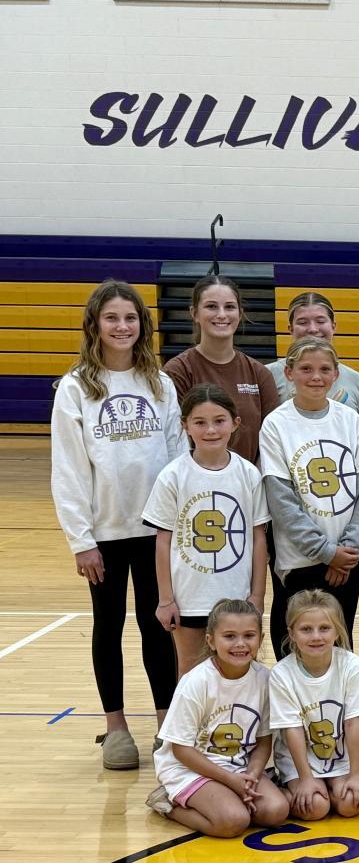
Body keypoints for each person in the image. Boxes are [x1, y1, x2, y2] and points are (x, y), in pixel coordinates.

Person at [51, 280, 183, 770]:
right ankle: (117, 728)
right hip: (103, 534)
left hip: (155, 531)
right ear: (95, 325)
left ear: (142, 325)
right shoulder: (75, 388)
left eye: (130, 318)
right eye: (112, 318)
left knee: (158, 626)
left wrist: (176, 526)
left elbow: (177, 459)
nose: (122, 326)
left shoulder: (160, 384)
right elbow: (68, 469)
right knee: (107, 627)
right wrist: (80, 540)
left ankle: (167, 724)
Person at [258, 338, 359, 658]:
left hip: (346, 559)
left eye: (325, 369)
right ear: (289, 373)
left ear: (336, 374)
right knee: (293, 644)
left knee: (339, 644)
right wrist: (326, 552)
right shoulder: (276, 424)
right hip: (299, 559)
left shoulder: (350, 420)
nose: (316, 376)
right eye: (306, 369)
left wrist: (349, 549)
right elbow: (281, 500)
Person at [144, 384, 270, 677]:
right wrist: (166, 599)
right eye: (200, 422)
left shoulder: (248, 475)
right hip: (190, 596)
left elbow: (258, 538)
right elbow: (163, 541)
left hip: (236, 595)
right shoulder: (173, 476)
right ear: (185, 425)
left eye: (219, 421)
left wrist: (257, 595)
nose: (211, 430)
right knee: (190, 671)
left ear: (235, 423)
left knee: (238, 669)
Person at [145, 599, 288, 836]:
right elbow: (180, 750)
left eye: (249, 635)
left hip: (238, 766)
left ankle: (225, 798)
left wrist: (252, 775)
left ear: (260, 639)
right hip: (189, 768)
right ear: (211, 641)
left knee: (276, 811)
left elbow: (264, 741)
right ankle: (168, 804)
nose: (240, 644)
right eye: (229, 636)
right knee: (233, 821)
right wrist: (230, 780)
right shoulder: (196, 682)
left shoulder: (264, 679)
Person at [270, 589, 359, 820]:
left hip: (341, 758)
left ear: (337, 630)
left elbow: (354, 724)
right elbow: (292, 730)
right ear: (292, 633)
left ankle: (331, 790)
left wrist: (356, 774)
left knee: (351, 805)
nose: (316, 636)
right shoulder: (281, 674)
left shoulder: (352, 665)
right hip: (300, 763)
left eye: (324, 628)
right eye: (306, 629)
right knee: (315, 808)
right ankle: (287, 792)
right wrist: (306, 779)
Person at [164, 274, 278, 463]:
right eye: (211, 306)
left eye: (230, 307)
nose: (222, 314)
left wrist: (250, 476)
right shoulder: (178, 371)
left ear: (240, 313)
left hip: (249, 479)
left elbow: (272, 443)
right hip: (194, 479)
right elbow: (173, 440)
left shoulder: (259, 374)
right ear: (194, 313)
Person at [265, 292, 359, 420]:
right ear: (291, 329)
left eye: (320, 321)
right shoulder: (267, 375)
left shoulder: (358, 382)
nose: (313, 329)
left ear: (333, 326)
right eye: (303, 322)